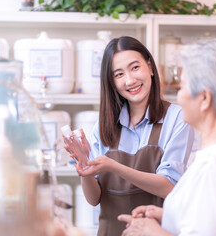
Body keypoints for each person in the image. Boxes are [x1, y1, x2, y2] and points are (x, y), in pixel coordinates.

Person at [118, 38, 216, 236]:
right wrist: (173, 217)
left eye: (182, 87)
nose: (178, 96)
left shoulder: (214, 166)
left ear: (204, 98)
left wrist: (152, 232)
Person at [64, 36, 194, 236]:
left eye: (135, 68)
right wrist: (86, 169)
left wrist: (113, 166)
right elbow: (94, 198)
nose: (130, 80)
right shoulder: (103, 126)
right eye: (119, 74)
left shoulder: (177, 118)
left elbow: (169, 186)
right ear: (112, 82)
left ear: (150, 67)